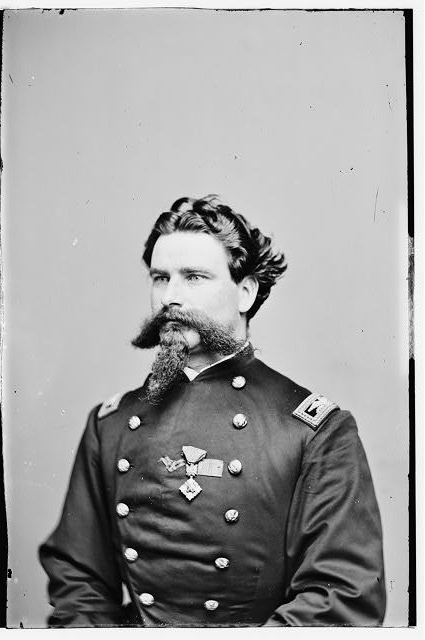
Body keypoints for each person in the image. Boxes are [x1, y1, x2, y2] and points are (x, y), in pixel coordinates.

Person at [39, 195, 386, 627]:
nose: (170, 297)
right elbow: (79, 583)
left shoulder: (315, 431)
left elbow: (340, 595)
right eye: (160, 278)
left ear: (246, 292)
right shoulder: (110, 425)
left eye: (194, 277)